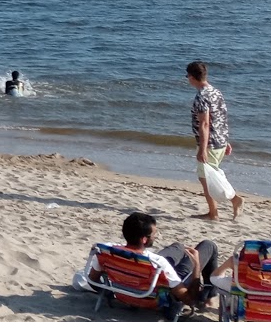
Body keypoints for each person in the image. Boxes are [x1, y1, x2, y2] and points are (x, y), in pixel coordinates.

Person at [85, 212, 219, 305]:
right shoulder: (158, 262)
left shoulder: (105, 250)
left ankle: (181, 250)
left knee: (178, 247)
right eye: (154, 234)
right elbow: (189, 299)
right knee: (209, 245)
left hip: (135, 281)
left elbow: (93, 281)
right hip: (156, 292)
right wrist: (196, 265)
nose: (156, 236)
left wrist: (113, 291)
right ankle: (209, 297)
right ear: (144, 239)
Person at [188, 61, 244, 221]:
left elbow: (205, 123)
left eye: (188, 76)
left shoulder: (202, 96)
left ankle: (219, 210)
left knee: (206, 178)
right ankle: (220, 208)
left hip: (210, 143)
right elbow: (221, 118)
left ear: (192, 77)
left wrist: (202, 149)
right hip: (219, 140)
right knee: (212, 176)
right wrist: (225, 140)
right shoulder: (216, 92)